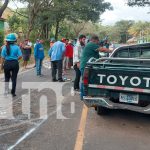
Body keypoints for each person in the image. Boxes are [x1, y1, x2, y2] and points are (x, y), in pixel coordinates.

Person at [80, 35, 112, 99]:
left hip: (88, 65)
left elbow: (95, 56)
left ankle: (86, 95)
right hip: (86, 65)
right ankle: (84, 96)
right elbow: (102, 49)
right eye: (97, 41)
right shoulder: (91, 44)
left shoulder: (90, 45)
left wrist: (103, 59)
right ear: (95, 40)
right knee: (85, 81)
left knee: (87, 80)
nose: (98, 43)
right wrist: (113, 51)